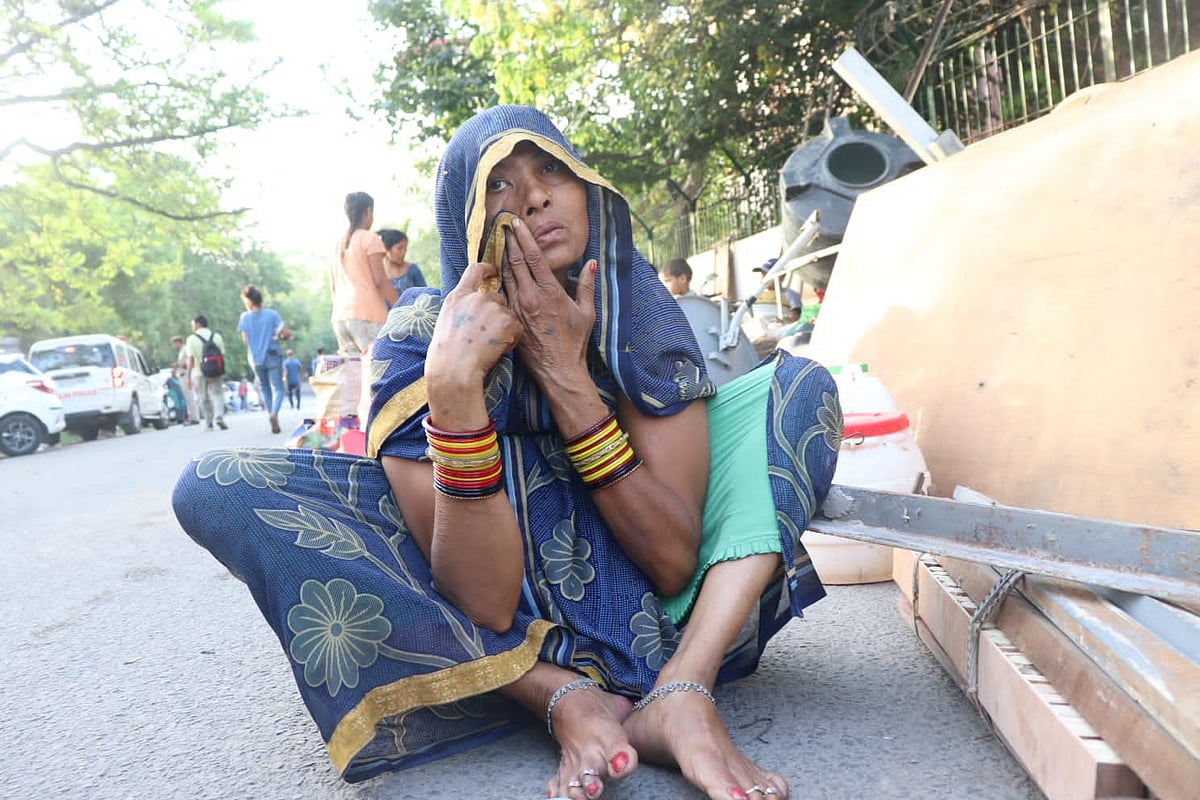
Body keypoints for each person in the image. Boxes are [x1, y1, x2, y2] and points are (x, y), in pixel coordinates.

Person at [173, 106, 840, 798]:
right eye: (499, 184)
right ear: (464, 218)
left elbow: (673, 562)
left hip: (666, 618)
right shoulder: (420, 338)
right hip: (493, 630)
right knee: (216, 483)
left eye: (553, 168)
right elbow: (483, 603)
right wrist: (456, 395)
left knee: (800, 392)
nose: (534, 196)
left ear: (586, 184)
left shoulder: (634, 306)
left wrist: (566, 377)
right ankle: (556, 693)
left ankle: (682, 687)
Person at [329, 192, 399, 356]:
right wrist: (401, 307)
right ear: (368, 211)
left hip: (340, 318)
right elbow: (380, 281)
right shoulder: (370, 239)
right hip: (368, 316)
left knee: (355, 376)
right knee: (378, 370)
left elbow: (333, 286)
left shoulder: (337, 243)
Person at [237, 284, 290, 433]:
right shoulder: (272, 314)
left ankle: (270, 415)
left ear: (248, 302)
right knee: (278, 388)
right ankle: (274, 413)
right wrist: (277, 337)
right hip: (272, 355)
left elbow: (245, 339)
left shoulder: (244, 317)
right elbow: (285, 333)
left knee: (265, 388)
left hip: (255, 359)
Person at [185, 314, 228, 431]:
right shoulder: (217, 336)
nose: (192, 327)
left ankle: (209, 423)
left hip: (200, 372)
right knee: (218, 394)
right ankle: (219, 416)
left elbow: (190, 360)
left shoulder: (191, 339)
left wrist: (188, 376)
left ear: (198, 324)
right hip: (215, 371)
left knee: (203, 397)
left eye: (193, 324)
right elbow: (222, 355)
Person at [378, 228, 428, 300]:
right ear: (387, 249)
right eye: (399, 248)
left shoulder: (412, 270)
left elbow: (425, 296)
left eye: (405, 248)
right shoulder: (377, 273)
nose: (403, 252)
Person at [170, 335, 200, 425]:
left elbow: (189, 363)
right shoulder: (181, 351)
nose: (173, 346)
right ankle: (192, 416)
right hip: (182, 375)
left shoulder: (185, 350)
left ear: (178, 342)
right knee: (188, 397)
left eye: (174, 344)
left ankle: (195, 418)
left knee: (190, 397)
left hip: (186, 374)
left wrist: (178, 365)